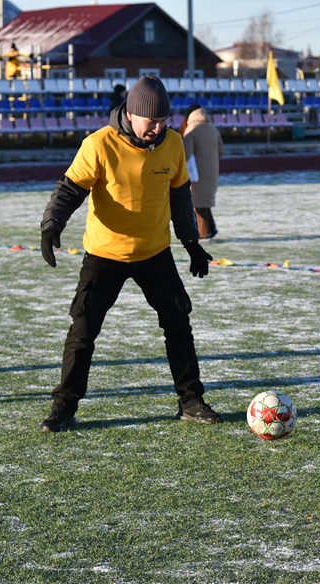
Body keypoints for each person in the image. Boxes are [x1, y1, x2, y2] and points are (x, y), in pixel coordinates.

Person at [39, 76, 220, 432]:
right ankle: (63, 407)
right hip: (105, 254)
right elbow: (69, 190)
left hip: (155, 252)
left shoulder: (172, 145)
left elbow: (181, 198)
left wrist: (191, 243)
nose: (157, 128)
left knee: (178, 325)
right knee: (83, 330)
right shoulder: (99, 145)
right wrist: (51, 226)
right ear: (131, 113)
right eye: (150, 121)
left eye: (163, 121)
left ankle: (191, 401)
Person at [181, 104, 224, 241]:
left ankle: (204, 233)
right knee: (205, 201)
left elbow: (186, 153)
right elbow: (221, 150)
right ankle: (211, 227)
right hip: (212, 170)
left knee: (198, 203)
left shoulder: (192, 130)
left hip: (197, 174)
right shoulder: (213, 129)